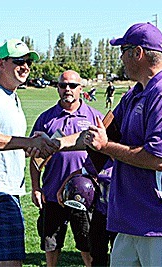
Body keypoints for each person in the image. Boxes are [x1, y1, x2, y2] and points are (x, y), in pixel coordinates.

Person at [81, 22, 162, 266]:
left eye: (123, 51)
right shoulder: (136, 92)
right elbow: (101, 133)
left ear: (137, 53)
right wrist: (51, 144)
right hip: (134, 222)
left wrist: (105, 147)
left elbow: (158, 159)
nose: (121, 58)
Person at [0, 39, 58, 267]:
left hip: (6, 191)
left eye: (28, 62)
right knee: (10, 263)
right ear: (2, 64)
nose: (26, 66)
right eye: (19, 61)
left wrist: (30, 145)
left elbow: (7, 143)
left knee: (0, 263)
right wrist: (26, 141)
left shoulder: (11, 96)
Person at [29, 70, 103, 267]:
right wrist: (36, 187)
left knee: (87, 243)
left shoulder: (95, 117)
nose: (67, 89)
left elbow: (104, 157)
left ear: (81, 88)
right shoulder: (46, 119)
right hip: (52, 193)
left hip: (84, 194)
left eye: (72, 85)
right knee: (51, 242)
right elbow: (35, 158)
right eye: (63, 85)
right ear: (57, 88)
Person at [56, 158, 117, 266]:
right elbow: (81, 171)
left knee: (119, 255)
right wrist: (62, 188)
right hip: (101, 212)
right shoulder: (100, 157)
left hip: (120, 215)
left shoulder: (127, 158)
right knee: (97, 254)